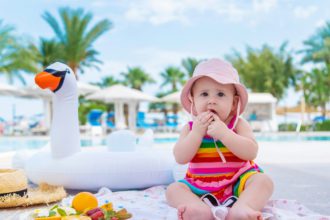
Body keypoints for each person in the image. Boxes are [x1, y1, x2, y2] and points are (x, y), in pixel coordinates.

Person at [166, 58, 273, 220]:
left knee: (263, 181)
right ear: (193, 101)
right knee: (173, 189)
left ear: (233, 102)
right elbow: (180, 158)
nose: (212, 100)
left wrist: (225, 134)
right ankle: (198, 209)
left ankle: (243, 208)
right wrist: (197, 133)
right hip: (199, 185)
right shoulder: (190, 127)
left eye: (221, 94)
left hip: (238, 183)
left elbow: (251, 152)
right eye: (204, 94)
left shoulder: (237, 124)